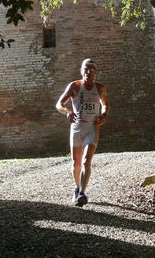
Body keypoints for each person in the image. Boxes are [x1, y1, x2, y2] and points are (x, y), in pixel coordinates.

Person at [56, 58, 109, 207]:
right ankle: (77, 187)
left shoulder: (100, 88)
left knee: (87, 160)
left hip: (92, 127)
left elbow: (105, 105)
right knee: (76, 162)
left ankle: (82, 193)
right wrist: (67, 112)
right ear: (81, 71)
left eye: (91, 69)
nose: (88, 72)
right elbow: (59, 104)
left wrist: (103, 115)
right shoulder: (74, 86)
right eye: (86, 69)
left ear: (95, 72)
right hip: (77, 127)